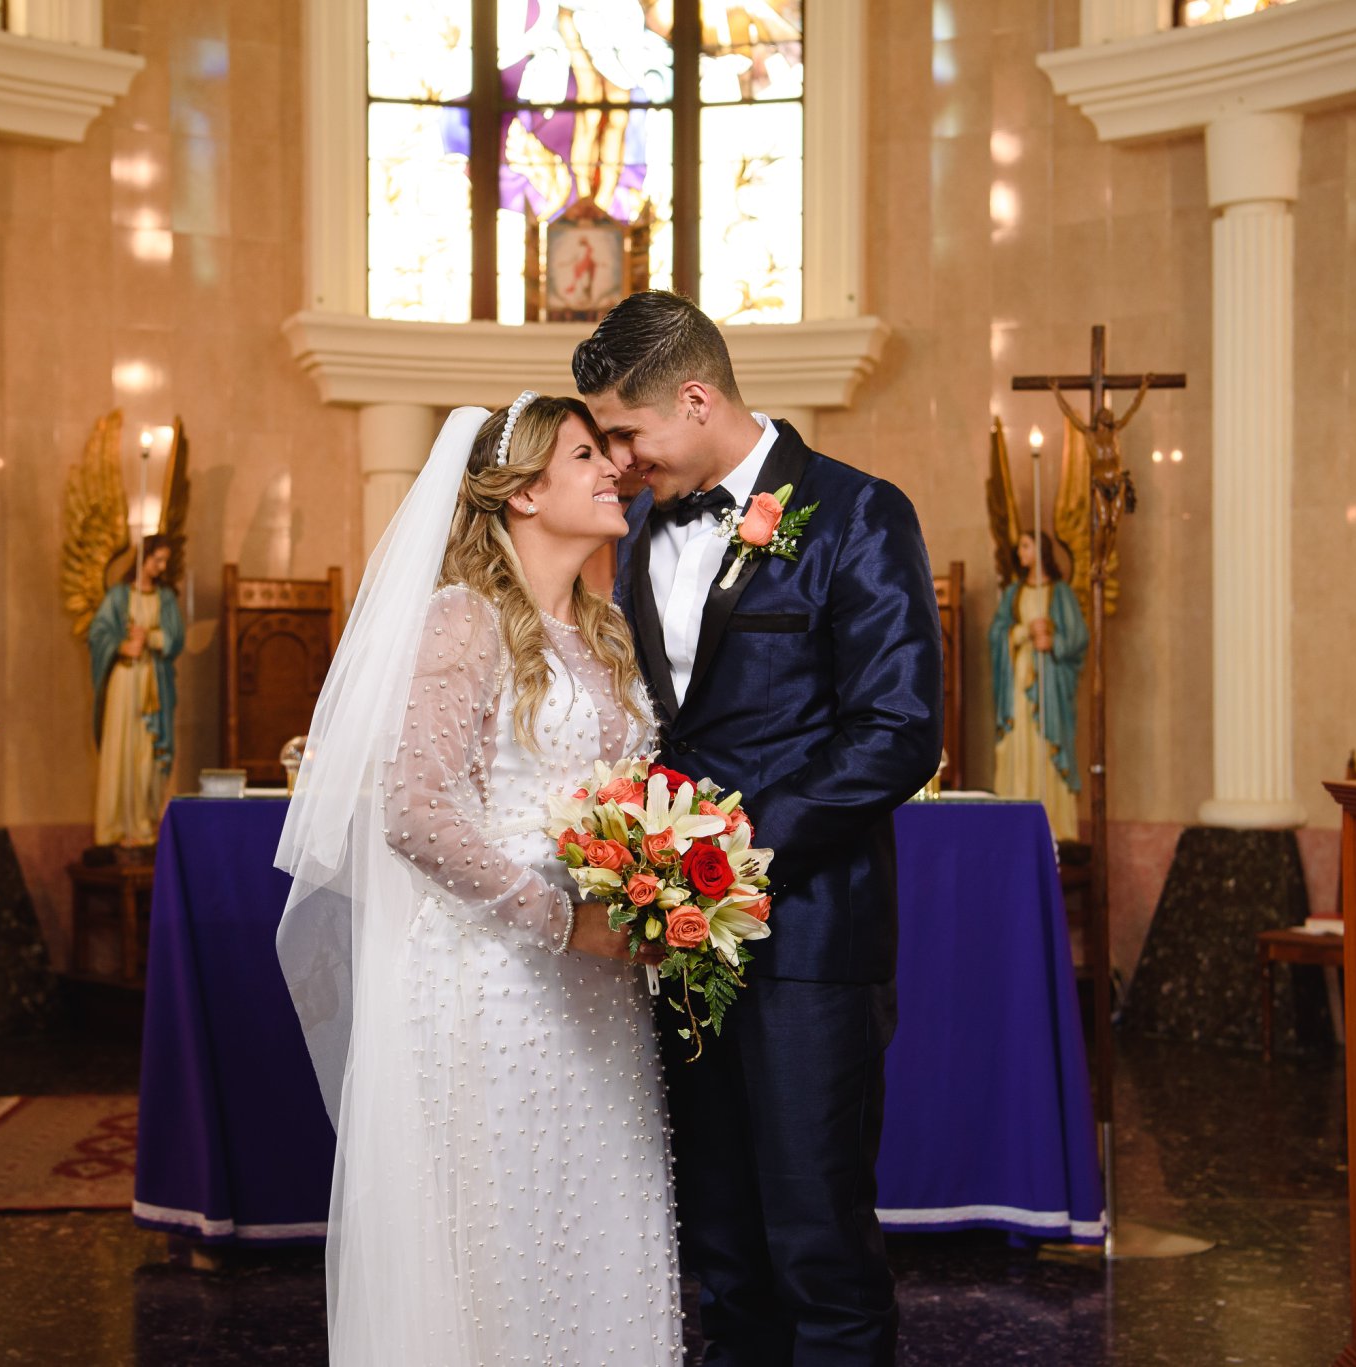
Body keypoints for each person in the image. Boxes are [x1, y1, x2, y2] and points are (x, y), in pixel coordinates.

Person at [574, 289, 943, 1367]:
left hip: (811, 937)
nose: (621, 463)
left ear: (695, 400)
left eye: (629, 433)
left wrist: (730, 853)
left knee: (818, 1246)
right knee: (723, 1249)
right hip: (679, 948)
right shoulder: (640, 533)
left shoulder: (859, 512)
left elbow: (898, 729)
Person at [275, 394, 682, 1364]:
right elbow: (414, 811)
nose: (612, 470)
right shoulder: (461, 622)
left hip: (602, 992)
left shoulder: (604, 630)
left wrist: (653, 885)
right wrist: (562, 918)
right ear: (525, 492)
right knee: (507, 1240)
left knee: (599, 1226)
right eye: (583, 456)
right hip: (495, 985)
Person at [87, 534, 185, 848]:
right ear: (144, 557)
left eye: (165, 561)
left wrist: (151, 638)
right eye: (158, 559)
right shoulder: (119, 596)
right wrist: (121, 646)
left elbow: (176, 638)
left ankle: (143, 824)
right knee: (120, 750)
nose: (162, 566)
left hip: (153, 683)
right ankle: (114, 827)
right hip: (124, 681)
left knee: (147, 754)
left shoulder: (165, 598)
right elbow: (97, 633)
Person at [988, 531, 1086, 840]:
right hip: (1018, 685)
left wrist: (1053, 642)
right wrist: (1021, 632)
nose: (1020, 552)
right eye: (1019, 547)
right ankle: (1014, 827)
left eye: (1026, 546)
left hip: (1049, 685)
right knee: (1018, 743)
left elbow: (1078, 638)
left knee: (1045, 745)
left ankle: (1056, 826)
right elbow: (996, 633)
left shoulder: (1060, 592)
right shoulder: (1014, 593)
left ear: (1041, 550)